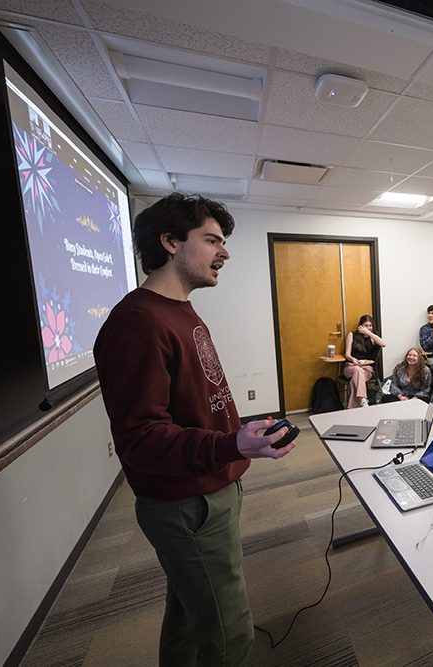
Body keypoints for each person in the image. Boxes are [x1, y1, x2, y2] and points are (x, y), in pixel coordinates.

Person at [93, 193, 296, 667]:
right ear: (169, 242)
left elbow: (193, 403)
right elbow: (141, 438)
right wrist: (229, 442)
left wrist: (240, 429)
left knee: (187, 613)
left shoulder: (178, 309)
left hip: (208, 489)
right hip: (188, 505)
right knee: (231, 636)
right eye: (211, 240)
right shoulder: (138, 323)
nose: (223, 252)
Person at [344, 314, 386, 409]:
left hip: (367, 368)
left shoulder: (373, 338)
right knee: (357, 370)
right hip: (351, 366)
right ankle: (363, 399)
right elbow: (347, 354)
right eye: (365, 326)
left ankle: (358, 404)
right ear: (360, 326)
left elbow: (383, 344)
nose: (368, 328)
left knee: (355, 378)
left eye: (370, 326)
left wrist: (369, 333)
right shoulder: (352, 335)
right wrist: (353, 359)